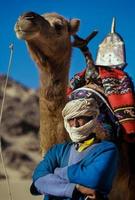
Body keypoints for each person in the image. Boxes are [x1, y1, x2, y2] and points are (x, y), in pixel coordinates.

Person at [30, 87, 119, 200]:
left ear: (91, 118)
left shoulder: (107, 150)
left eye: (80, 118)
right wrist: (75, 188)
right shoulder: (57, 151)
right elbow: (38, 180)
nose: (75, 124)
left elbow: (93, 179)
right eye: (71, 119)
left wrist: (55, 173)